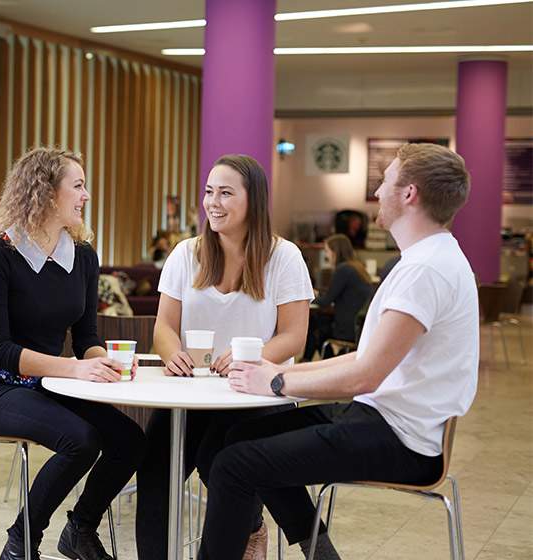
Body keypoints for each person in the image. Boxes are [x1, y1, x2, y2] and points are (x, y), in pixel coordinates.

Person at [207, 143, 477, 560]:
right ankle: (320, 552)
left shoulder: (426, 269)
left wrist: (276, 383)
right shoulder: (426, 259)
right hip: (384, 419)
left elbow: (365, 376)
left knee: (232, 465)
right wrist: (275, 370)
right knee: (239, 436)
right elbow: (364, 358)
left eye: (385, 181)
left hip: (400, 439)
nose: (377, 192)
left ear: (409, 194)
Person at [0, 147, 146, 560]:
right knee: (80, 440)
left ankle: (80, 529)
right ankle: (21, 543)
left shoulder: (82, 255)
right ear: (46, 193)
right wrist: (75, 368)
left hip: (50, 380)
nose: (86, 195)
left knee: (130, 441)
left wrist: (103, 361)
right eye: (78, 186)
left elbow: (85, 335)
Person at [136, 154, 314, 560]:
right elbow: (164, 327)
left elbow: (294, 337)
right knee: (154, 468)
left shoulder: (283, 257)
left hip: (256, 393)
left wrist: (250, 359)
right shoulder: (186, 253)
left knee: (217, 459)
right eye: (209, 191)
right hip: (196, 391)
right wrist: (173, 353)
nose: (213, 202)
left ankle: (250, 532)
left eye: (226, 193)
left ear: (254, 200)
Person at [303, 234, 373, 361]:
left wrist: (307, 297)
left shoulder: (342, 270)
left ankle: (313, 361)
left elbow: (326, 301)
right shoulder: (356, 267)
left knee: (315, 329)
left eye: (327, 251)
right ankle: (316, 362)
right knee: (319, 326)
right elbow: (334, 296)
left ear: (335, 252)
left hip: (347, 330)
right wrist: (318, 294)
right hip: (359, 327)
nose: (326, 255)